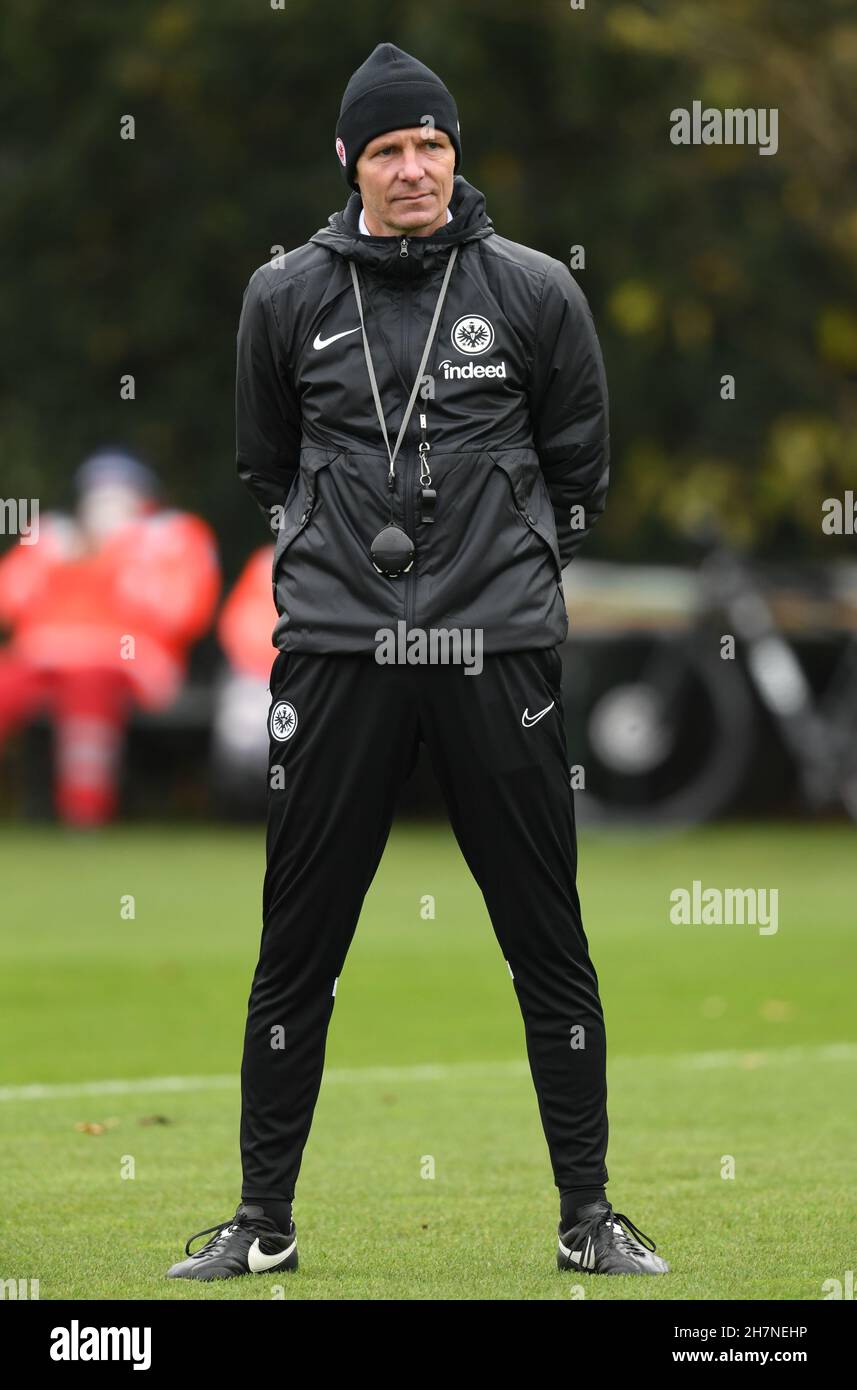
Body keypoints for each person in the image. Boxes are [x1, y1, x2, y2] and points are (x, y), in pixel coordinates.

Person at [167, 42, 669, 1281]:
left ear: (456, 155)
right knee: (298, 945)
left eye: (431, 145)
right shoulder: (282, 294)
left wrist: (489, 567)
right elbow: (262, 462)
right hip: (339, 649)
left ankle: (588, 1216)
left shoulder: (537, 289)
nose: (413, 170)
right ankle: (262, 1223)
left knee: (546, 936)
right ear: (350, 162)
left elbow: (578, 470)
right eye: (388, 149)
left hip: (497, 650)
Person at [0, 448, 220, 825]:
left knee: (89, 685)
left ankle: (84, 816)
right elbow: (9, 599)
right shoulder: (53, 537)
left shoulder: (175, 536)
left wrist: (122, 562)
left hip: (128, 661)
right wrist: (56, 563)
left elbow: (186, 611)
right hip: (43, 656)